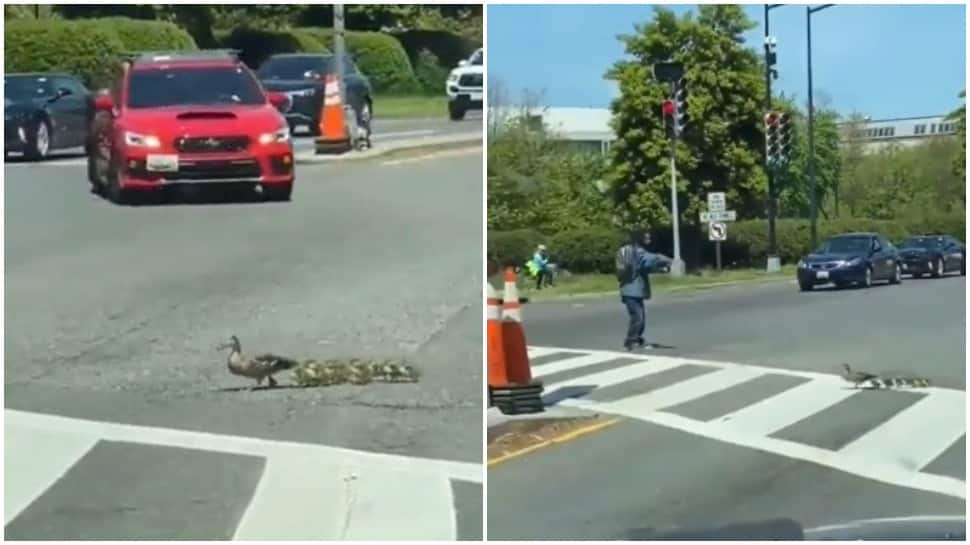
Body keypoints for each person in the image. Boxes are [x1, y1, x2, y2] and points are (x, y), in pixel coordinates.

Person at [615, 230, 670, 351]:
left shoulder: (631, 251)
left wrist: (660, 269)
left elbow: (643, 267)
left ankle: (637, 338)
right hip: (632, 290)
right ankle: (630, 340)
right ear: (640, 239)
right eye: (646, 238)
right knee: (638, 317)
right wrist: (666, 259)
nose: (649, 241)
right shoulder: (637, 251)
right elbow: (649, 259)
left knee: (640, 316)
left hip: (632, 290)